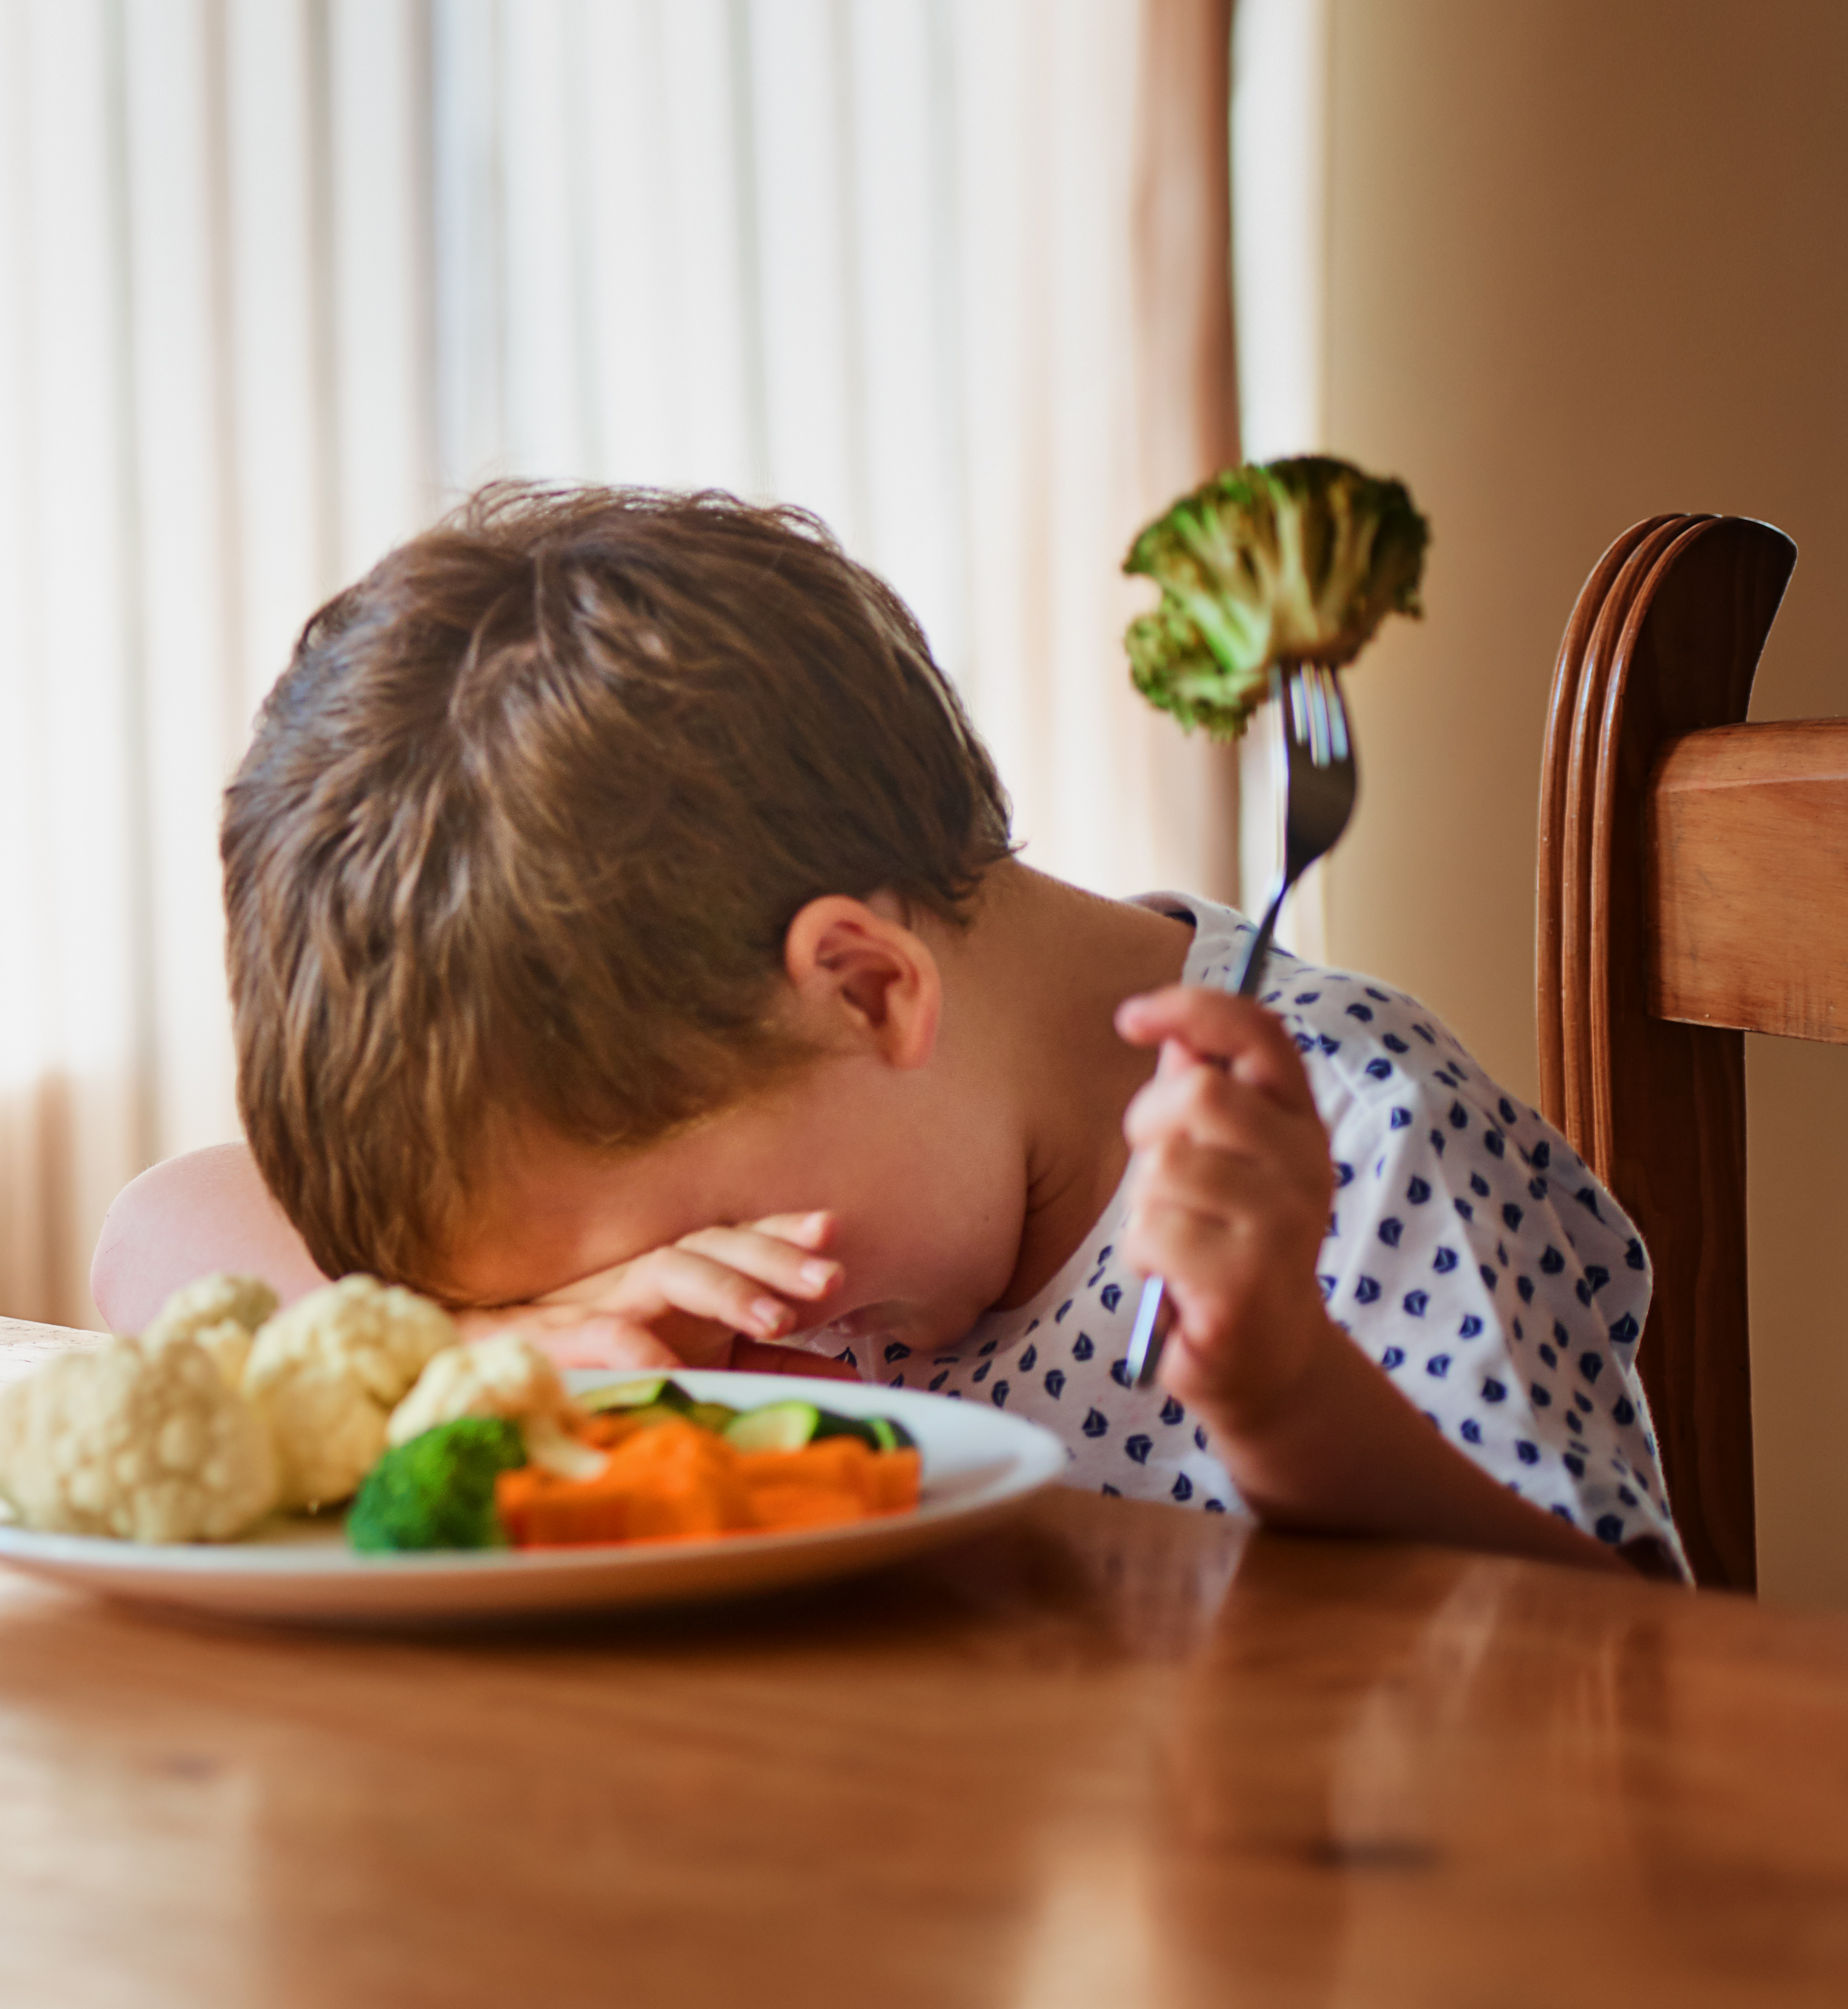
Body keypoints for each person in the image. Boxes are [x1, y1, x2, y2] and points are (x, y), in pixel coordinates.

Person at [94, 485, 1677, 1576]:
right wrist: (489, 1343)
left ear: (863, 988)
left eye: (694, 1242)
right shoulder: (764, 1104)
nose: (674, 1310)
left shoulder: (1349, 1152)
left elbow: (1621, 1677)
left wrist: (1283, 1404)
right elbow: (155, 1235)